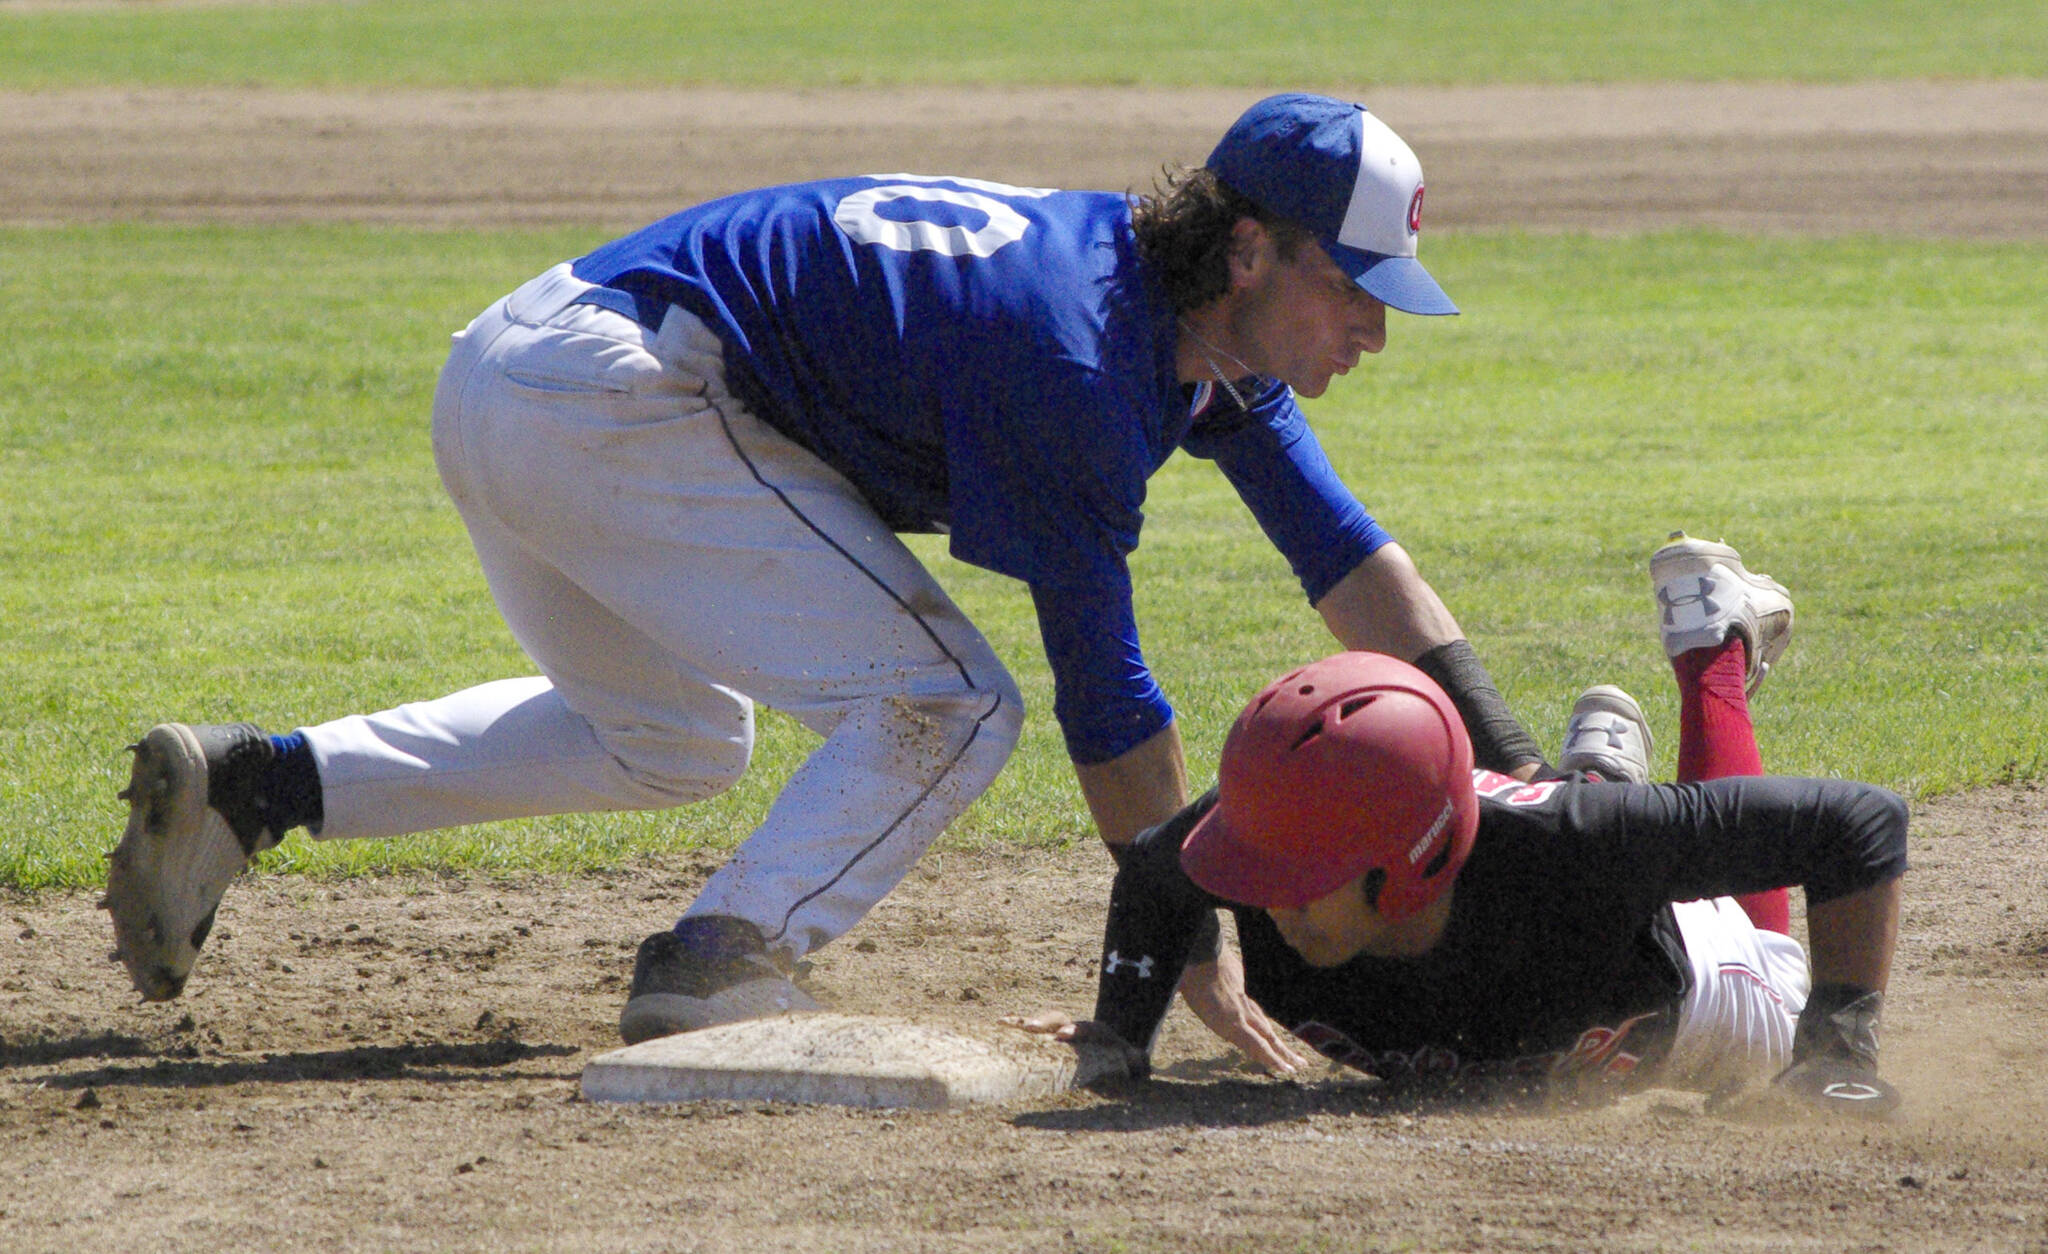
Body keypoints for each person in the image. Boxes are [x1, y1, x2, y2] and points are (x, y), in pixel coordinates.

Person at [103, 94, 1547, 1059]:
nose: (1374, 328)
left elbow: (1355, 570)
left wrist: (1535, 783)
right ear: (1247, 248)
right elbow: (1112, 709)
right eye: (1353, 289)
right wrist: (1181, 938)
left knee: (670, 737)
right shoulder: (1075, 363)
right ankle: (721, 956)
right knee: (956, 705)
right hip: (616, 395)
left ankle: (253, 786)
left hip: (526, 372)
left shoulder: (1182, 335)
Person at [1012, 534, 1908, 1116]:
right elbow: (1158, 873)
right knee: (1612, 827)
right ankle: (1595, 766)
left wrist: (1838, 1056)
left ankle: (1712, 648)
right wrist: (1122, 1033)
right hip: (1565, 851)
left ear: (1409, 862)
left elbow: (1857, 825)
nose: (1260, 893)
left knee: (1683, 866)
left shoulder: (1573, 853)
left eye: (1293, 870)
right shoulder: (1266, 843)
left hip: (1708, 995)